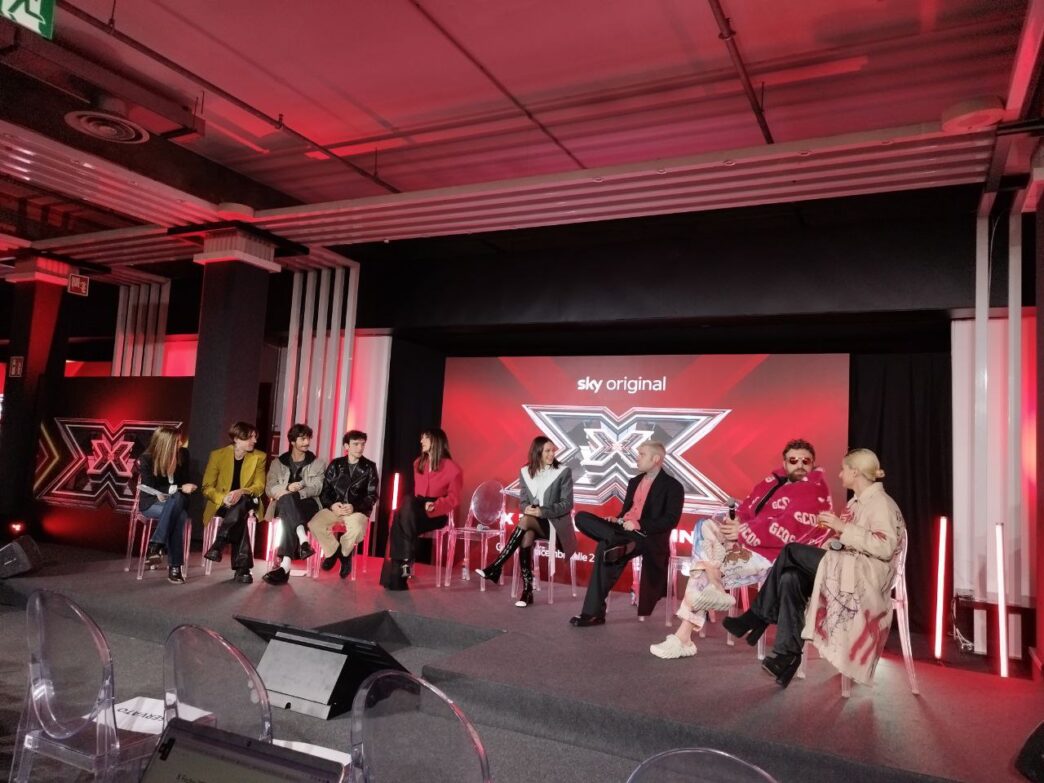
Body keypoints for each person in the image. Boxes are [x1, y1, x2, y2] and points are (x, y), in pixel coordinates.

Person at [723, 448, 904, 688]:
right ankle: (787, 656)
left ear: (855, 472)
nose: (839, 475)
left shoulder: (881, 503)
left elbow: (885, 546)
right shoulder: (855, 502)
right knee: (790, 577)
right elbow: (847, 540)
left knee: (790, 551)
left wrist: (842, 527)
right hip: (845, 565)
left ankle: (757, 616)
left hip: (863, 575)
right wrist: (834, 537)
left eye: (844, 470)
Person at [649, 439, 833, 659]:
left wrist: (743, 531)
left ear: (813, 464)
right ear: (785, 463)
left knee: (701, 574)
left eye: (806, 461)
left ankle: (684, 637)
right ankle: (714, 580)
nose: (800, 465)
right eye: (794, 460)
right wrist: (735, 523)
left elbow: (789, 528)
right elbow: (747, 509)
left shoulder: (814, 492)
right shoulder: (771, 482)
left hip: (773, 556)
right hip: (746, 542)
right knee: (704, 525)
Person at [570, 440, 684, 626]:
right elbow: (628, 511)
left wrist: (639, 524)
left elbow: (670, 520)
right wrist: (617, 520)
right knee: (581, 517)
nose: (637, 458)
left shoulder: (673, 486)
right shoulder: (634, 482)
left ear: (656, 459)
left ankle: (593, 614)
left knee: (604, 548)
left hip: (645, 536)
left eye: (642, 454)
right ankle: (617, 540)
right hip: (623, 531)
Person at [476, 436, 577, 607]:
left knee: (526, 521)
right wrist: (527, 508)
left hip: (556, 526)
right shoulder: (525, 472)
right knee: (526, 534)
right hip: (534, 522)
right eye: (547, 451)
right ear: (537, 452)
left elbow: (567, 504)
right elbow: (523, 502)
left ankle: (496, 567)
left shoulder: (563, 471)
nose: (552, 454)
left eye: (553, 450)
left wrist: (541, 511)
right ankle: (527, 591)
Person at [382, 428, 462, 591]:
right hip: (416, 507)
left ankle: (399, 571)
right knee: (404, 509)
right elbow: (417, 495)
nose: (421, 441)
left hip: (436, 512)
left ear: (436, 441)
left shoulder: (453, 468)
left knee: (400, 517)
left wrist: (436, 505)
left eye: (425, 438)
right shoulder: (418, 463)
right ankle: (405, 564)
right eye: (421, 438)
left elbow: (454, 498)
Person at [307, 430, 379, 580]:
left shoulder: (369, 467)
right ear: (346, 446)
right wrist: (332, 505)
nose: (360, 447)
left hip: (357, 510)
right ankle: (333, 552)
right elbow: (324, 491)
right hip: (335, 508)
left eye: (362, 444)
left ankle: (344, 553)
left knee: (358, 528)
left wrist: (354, 506)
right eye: (356, 444)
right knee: (314, 524)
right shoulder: (335, 465)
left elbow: (372, 495)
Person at [201, 421, 267, 584]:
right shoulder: (218, 455)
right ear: (237, 439)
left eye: (255, 437)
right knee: (239, 519)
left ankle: (219, 542)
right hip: (223, 504)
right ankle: (242, 568)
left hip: (248, 501)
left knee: (241, 502)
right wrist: (222, 498)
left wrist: (241, 491)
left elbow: (259, 486)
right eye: (250, 437)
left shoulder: (259, 457)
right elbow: (207, 487)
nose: (254, 441)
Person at [261, 423, 325, 585]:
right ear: (292, 441)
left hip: (308, 504)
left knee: (288, 505)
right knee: (286, 501)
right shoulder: (278, 463)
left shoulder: (318, 463)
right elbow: (269, 488)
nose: (307, 442)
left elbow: (317, 487)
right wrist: (288, 487)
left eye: (308, 438)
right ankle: (302, 541)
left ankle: (285, 565)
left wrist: (298, 490)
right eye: (302, 439)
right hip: (283, 505)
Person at [137, 426, 196, 584]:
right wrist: (176, 488)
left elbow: (185, 481)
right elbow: (150, 486)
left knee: (177, 499)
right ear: (166, 443)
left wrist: (184, 487)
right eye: (177, 441)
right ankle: (175, 567)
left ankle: (156, 545)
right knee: (180, 516)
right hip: (152, 502)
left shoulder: (183, 454)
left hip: (178, 500)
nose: (180, 444)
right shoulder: (147, 459)